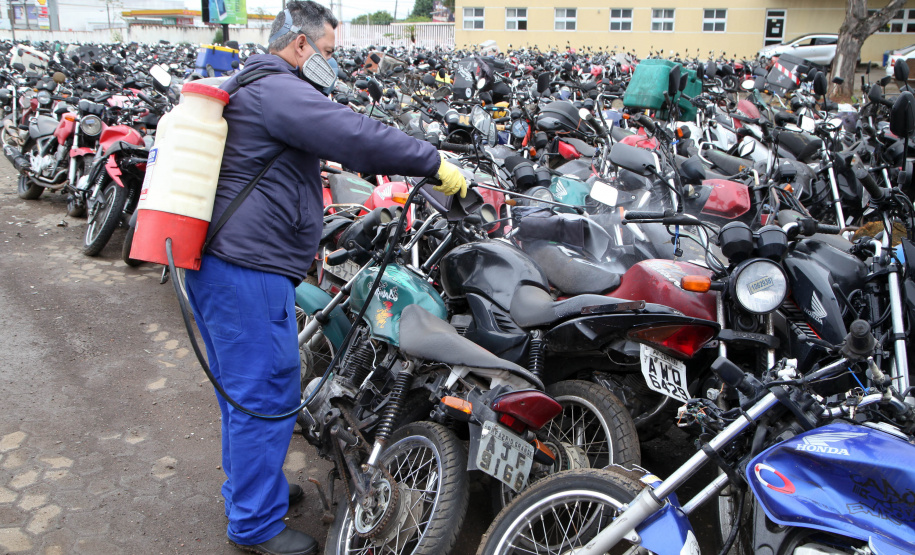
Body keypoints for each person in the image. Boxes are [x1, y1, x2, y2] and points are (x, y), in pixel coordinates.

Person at [183, 2, 467, 554]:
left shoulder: (256, 87)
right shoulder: (278, 88)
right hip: (246, 269)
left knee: (247, 391)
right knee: (263, 391)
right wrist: (431, 162)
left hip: (231, 266)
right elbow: (350, 130)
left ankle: (253, 489)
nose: (330, 65)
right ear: (298, 44)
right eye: (329, 53)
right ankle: (253, 524)